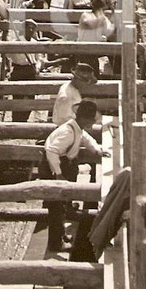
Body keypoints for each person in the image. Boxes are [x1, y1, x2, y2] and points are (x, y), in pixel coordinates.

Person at [41, 99, 103, 250]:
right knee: (56, 207)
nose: (92, 122)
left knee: (62, 204)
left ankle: (61, 234)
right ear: (84, 119)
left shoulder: (77, 128)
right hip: (53, 167)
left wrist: (97, 150)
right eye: (91, 119)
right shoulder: (68, 132)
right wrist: (58, 174)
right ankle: (55, 244)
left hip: (63, 164)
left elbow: (86, 138)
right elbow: (51, 151)